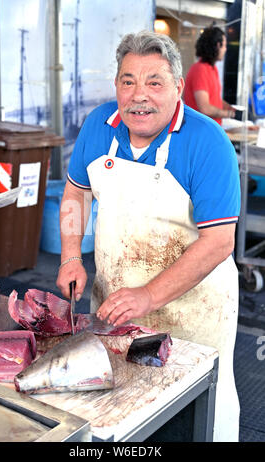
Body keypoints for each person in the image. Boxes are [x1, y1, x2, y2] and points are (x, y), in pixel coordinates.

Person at [57, 30, 241, 442]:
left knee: (190, 419)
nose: (139, 95)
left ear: (178, 87)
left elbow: (219, 242)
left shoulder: (208, 143)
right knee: (115, 418)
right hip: (114, 307)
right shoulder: (97, 126)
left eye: (154, 82)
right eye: (128, 81)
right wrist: (71, 256)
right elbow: (75, 193)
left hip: (193, 313)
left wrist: (149, 296)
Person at [184, 26, 235, 125]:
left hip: (210, 130)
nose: (225, 50)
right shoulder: (200, 70)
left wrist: (229, 107)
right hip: (199, 132)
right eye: (224, 46)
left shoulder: (212, 68)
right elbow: (205, 108)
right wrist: (229, 114)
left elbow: (214, 98)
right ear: (217, 45)